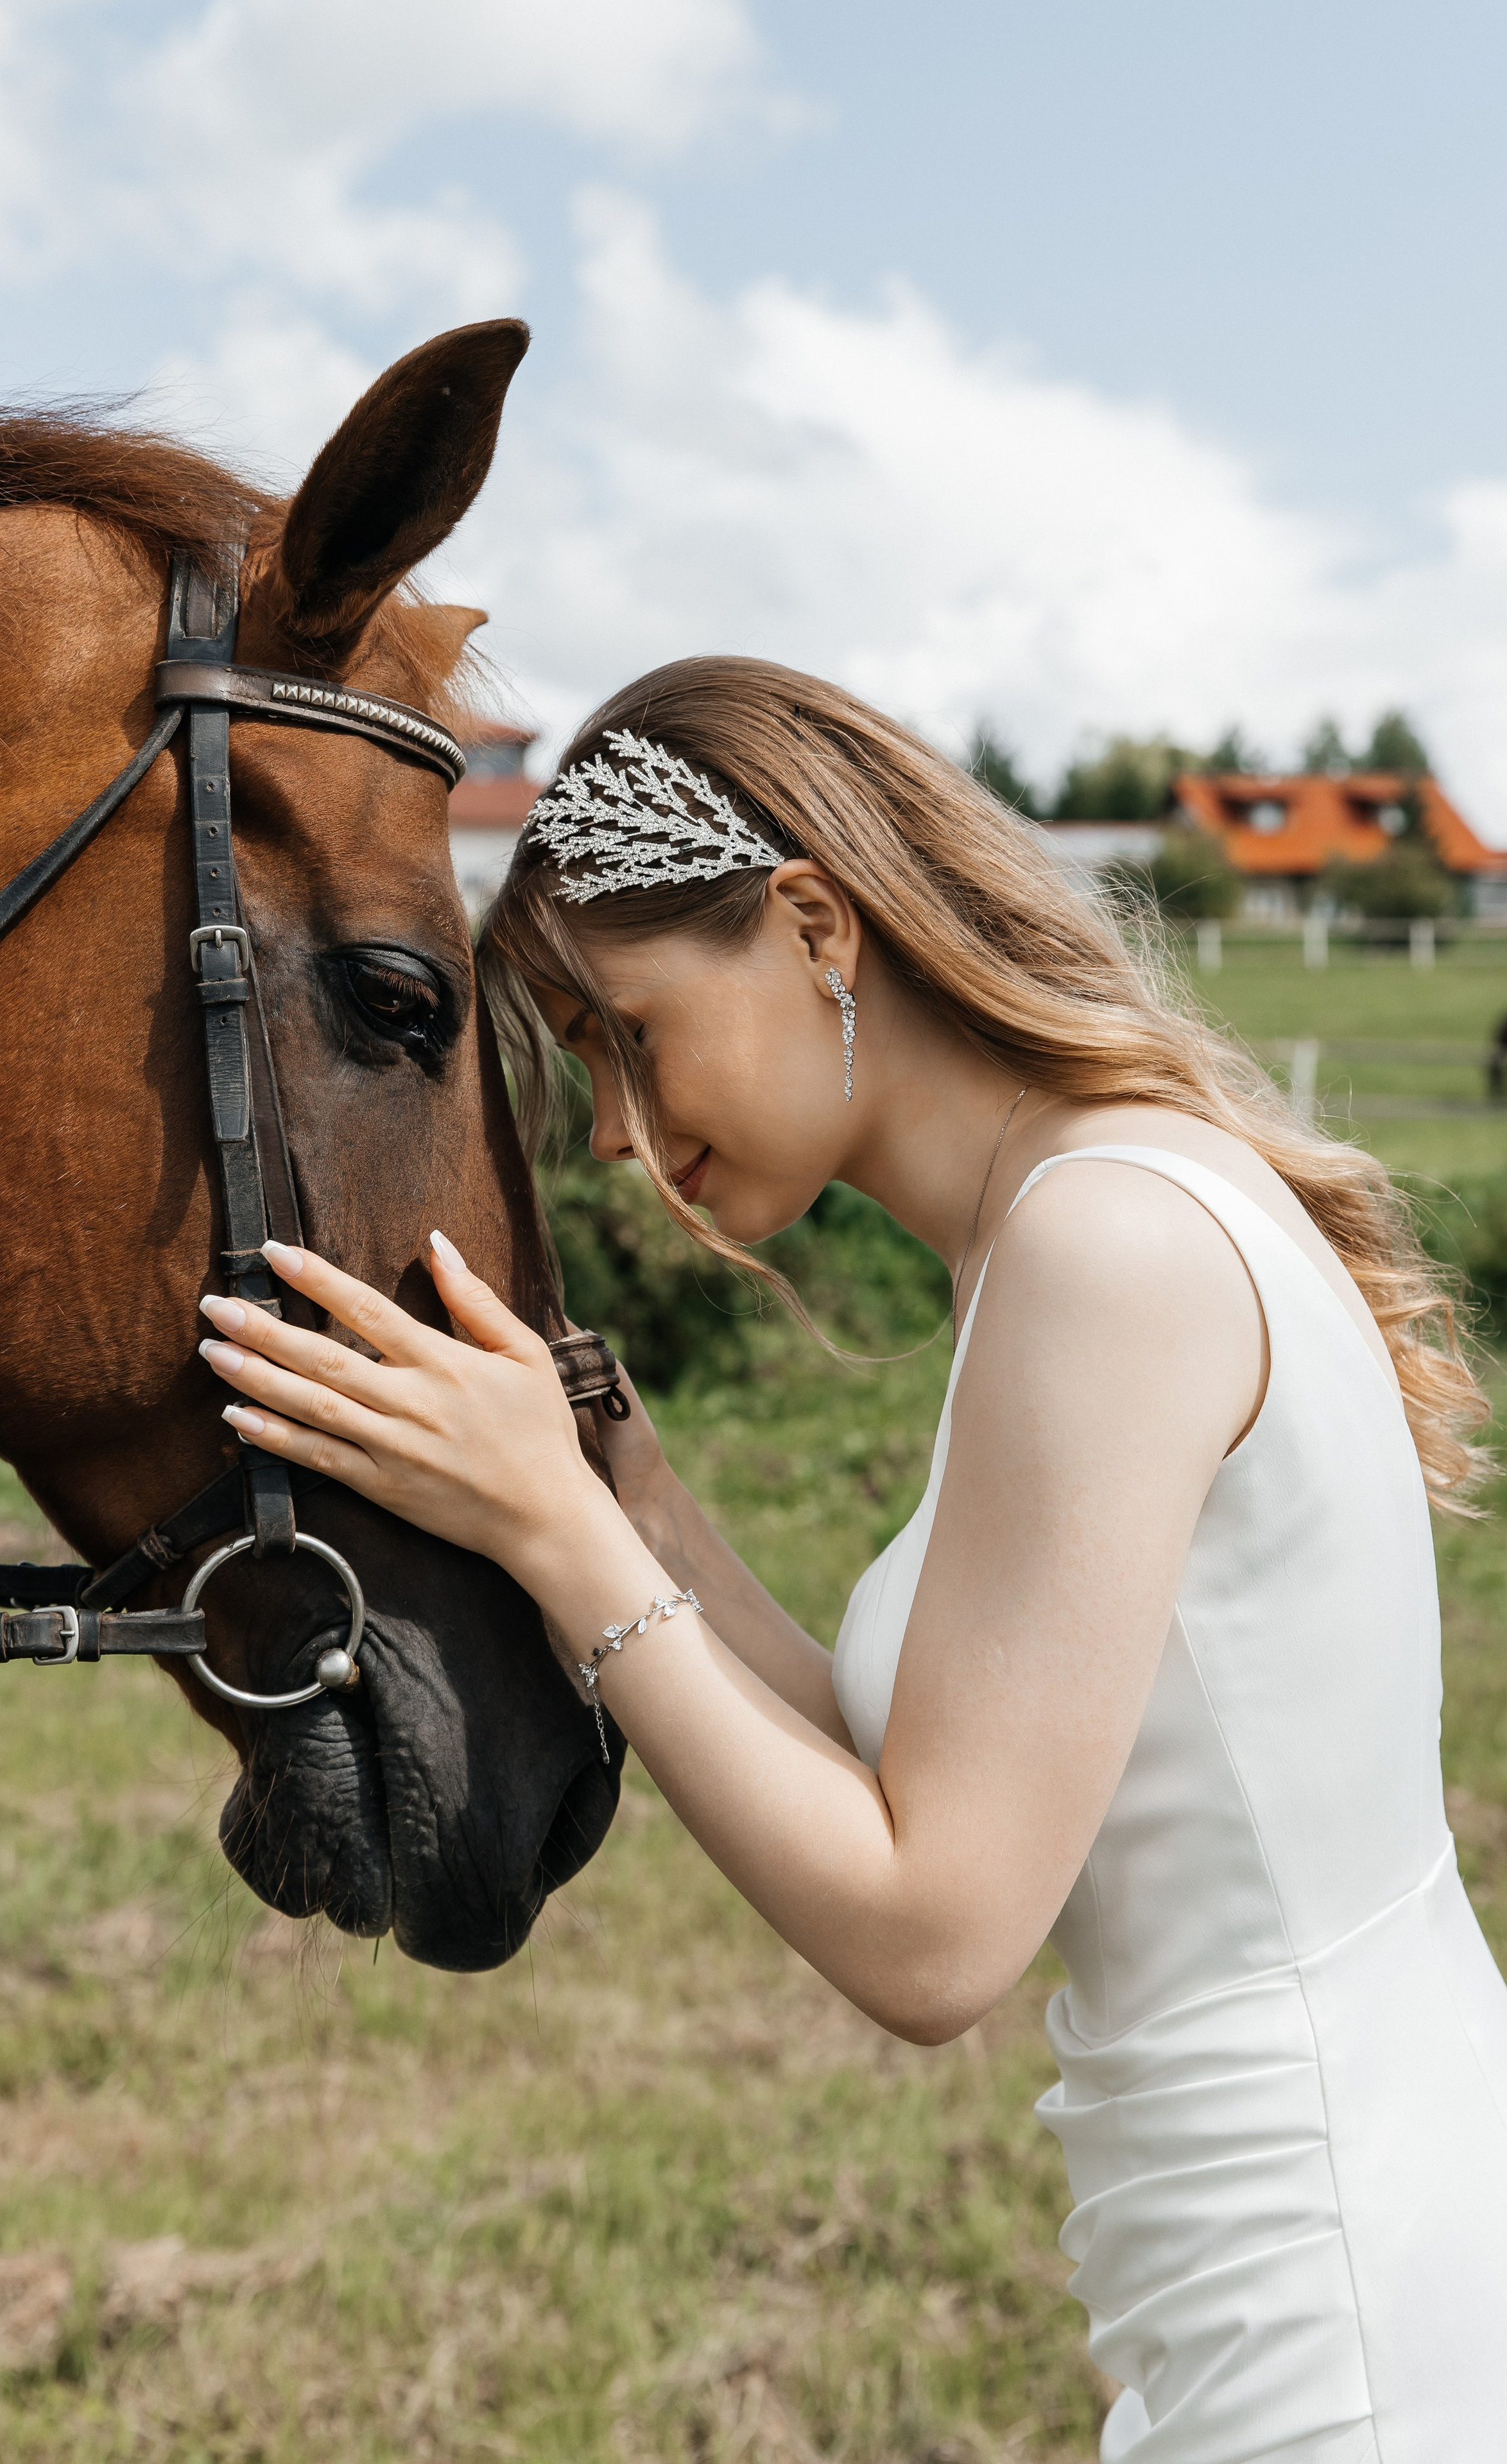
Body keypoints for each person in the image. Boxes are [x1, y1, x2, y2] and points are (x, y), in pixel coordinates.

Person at [194, 657, 1507, 2461]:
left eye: (625, 1037)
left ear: (812, 923)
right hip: (1293, 2259)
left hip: (1343, 2309)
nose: (610, 1133)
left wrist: (559, 1539)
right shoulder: (1089, 1207)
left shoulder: (1104, 1247)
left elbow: (937, 1932)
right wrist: (635, 1492)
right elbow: (926, 1783)